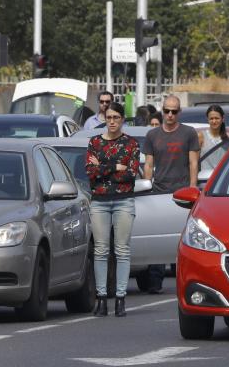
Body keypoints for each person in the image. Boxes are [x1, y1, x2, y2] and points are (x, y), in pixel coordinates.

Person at [85, 102, 140, 317]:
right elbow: (90, 172)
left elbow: (131, 174)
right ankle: (101, 298)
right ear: (104, 119)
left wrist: (103, 168)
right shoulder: (94, 142)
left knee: (122, 249)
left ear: (122, 119)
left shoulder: (131, 144)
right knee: (100, 250)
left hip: (124, 200)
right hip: (98, 201)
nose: (112, 121)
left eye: (116, 117)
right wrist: (116, 166)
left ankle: (120, 298)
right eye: (109, 117)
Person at [142, 95, 200, 293]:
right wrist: (146, 187)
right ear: (162, 110)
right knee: (158, 237)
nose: (170, 115)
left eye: (174, 111)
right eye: (167, 111)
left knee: (182, 239)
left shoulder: (189, 133)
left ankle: (182, 282)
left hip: (182, 194)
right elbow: (148, 164)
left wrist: (192, 188)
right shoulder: (152, 135)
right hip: (158, 192)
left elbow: (194, 163)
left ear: (179, 112)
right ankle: (154, 282)